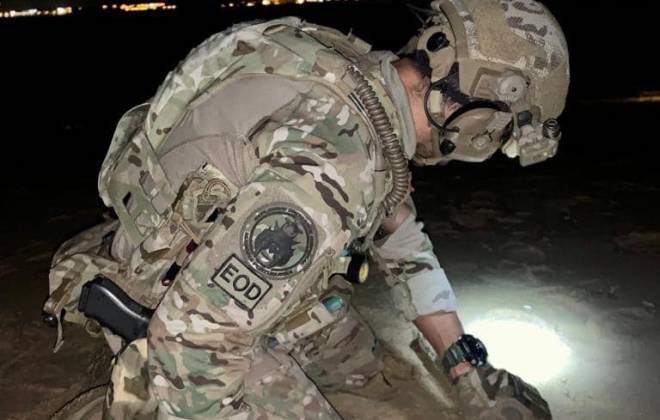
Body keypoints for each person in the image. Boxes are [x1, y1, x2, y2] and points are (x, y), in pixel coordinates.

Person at [43, 0, 569, 418]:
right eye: (498, 132)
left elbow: (403, 243)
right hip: (168, 301)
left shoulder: (364, 83)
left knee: (361, 367)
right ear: (480, 108)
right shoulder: (340, 158)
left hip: (209, 268)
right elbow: (194, 342)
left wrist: (464, 366)